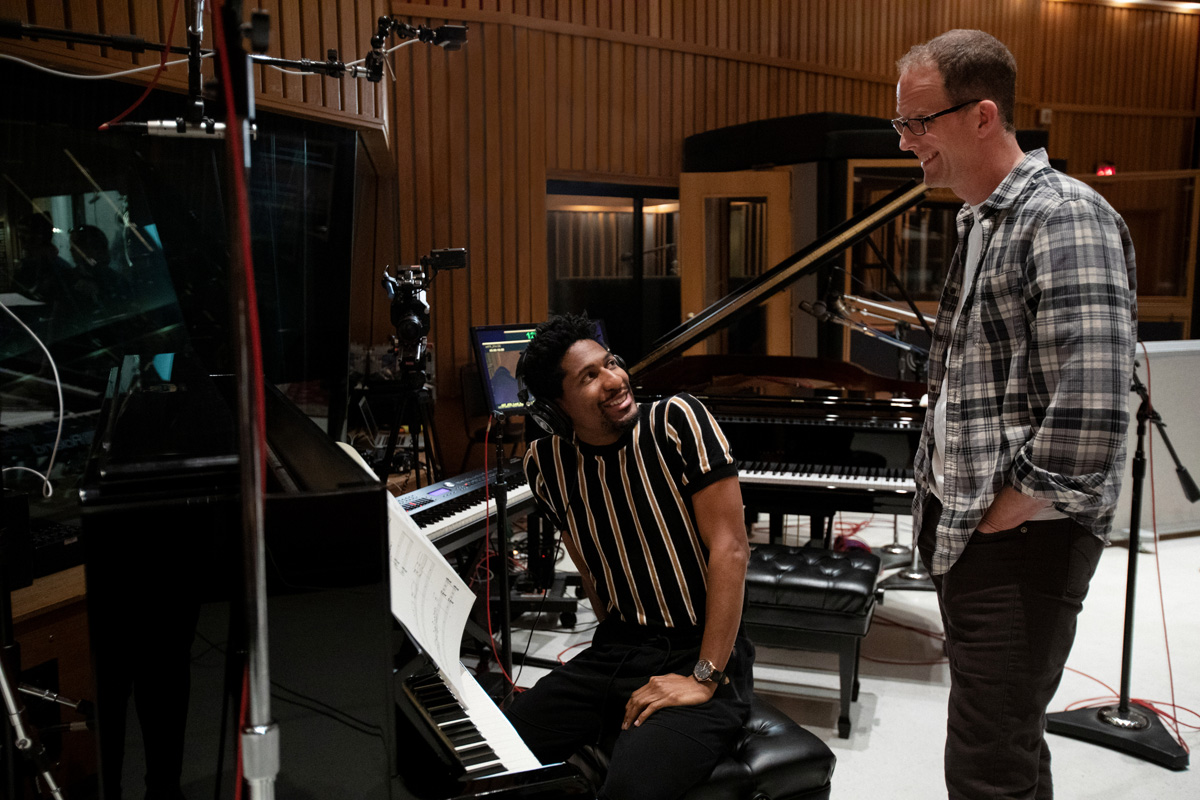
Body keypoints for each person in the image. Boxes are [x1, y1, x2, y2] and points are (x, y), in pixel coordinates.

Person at [895, 30, 1137, 799]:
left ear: (983, 116)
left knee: (984, 765)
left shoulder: (1064, 216)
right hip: (978, 531)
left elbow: (1092, 407)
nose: (907, 143)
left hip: (1024, 540)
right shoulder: (982, 220)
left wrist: (1003, 513)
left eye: (918, 123)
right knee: (1008, 742)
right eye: (901, 125)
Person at [506, 312, 754, 800]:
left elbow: (732, 550)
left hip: (699, 652)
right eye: (589, 377)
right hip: (616, 651)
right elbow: (589, 565)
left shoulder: (677, 420)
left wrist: (703, 678)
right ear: (558, 406)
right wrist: (616, 639)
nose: (615, 380)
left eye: (610, 364)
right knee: (501, 752)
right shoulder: (547, 463)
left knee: (630, 790)